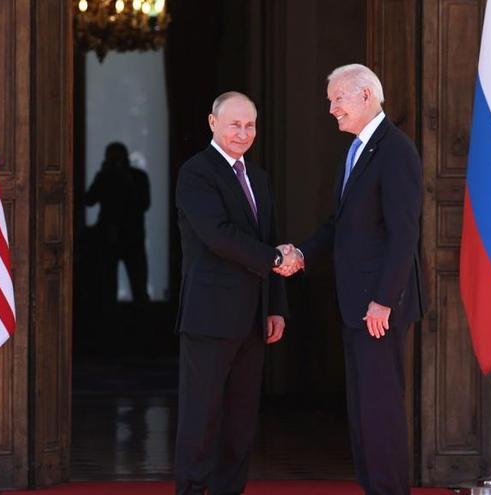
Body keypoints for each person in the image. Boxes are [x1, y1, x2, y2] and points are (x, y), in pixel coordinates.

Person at [275, 64, 426, 495]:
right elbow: (339, 224)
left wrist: (383, 299)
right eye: (330, 101)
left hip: (378, 308)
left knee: (380, 410)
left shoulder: (395, 151)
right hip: (356, 303)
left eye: (337, 99)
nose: (331, 109)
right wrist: (302, 254)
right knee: (362, 411)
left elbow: (404, 233)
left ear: (366, 96)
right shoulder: (358, 149)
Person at [173, 91, 292, 495]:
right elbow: (219, 236)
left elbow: (269, 237)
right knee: (200, 417)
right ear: (212, 123)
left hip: (254, 318)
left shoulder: (257, 177)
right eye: (234, 124)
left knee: (240, 422)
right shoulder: (196, 173)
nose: (243, 133)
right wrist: (276, 259)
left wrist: (276, 306)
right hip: (209, 316)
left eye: (250, 125)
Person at [84, 142, 151, 309]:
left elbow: (144, 203)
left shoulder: (138, 177)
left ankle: (143, 325)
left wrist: (126, 180)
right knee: (107, 287)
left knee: (138, 286)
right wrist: (102, 176)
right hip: (108, 237)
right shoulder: (105, 176)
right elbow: (89, 200)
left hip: (132, 237)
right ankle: (110, 325)